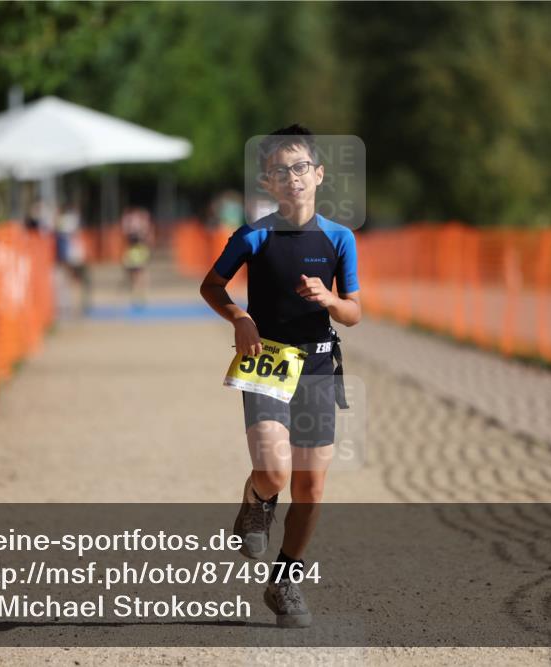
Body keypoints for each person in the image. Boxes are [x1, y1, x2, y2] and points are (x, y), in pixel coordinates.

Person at [199, 125, 361, 628]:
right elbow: (212, 286)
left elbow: (353, 312)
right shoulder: (254, 235)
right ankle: (256, 500)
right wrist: (241, 319)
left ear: (319, 174)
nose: (292, 179)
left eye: (300, 168)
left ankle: (286, 580)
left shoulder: (339, 238)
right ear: (267, 183)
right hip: (267, 360)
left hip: (317, 366)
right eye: (280, 172)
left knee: (311, 487)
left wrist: (331, 300)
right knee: (274, 470)